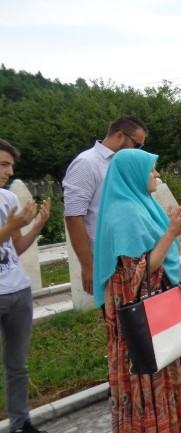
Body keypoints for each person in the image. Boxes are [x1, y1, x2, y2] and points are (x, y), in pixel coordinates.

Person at [92, 149, 181, 433]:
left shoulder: (141, 203)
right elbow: (135, 275)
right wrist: (171, 233)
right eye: (151, 169)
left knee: (168, 366)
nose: (156, 174)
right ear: (132, 173)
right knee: (152, 374)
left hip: (161, 317)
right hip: (145, 323)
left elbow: (151, 253)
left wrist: (170, 227)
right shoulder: (125, 214)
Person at [63, 116, 148, 295]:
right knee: (121, 317)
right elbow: (73, 216)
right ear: (119, 135)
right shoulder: (87, 163)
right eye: (137, 145)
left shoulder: (123, 163)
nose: (139, 150)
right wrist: (88, 266)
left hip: (131, 254)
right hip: (108, 259)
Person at [0, 139, 51, 433]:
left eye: (10, 165)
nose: (10, 171)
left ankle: (21, 423)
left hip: (18, 291)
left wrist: (36, 226)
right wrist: (10, 226)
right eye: (4, 164)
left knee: (17, 365)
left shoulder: (8, 199)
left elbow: (15, 247)